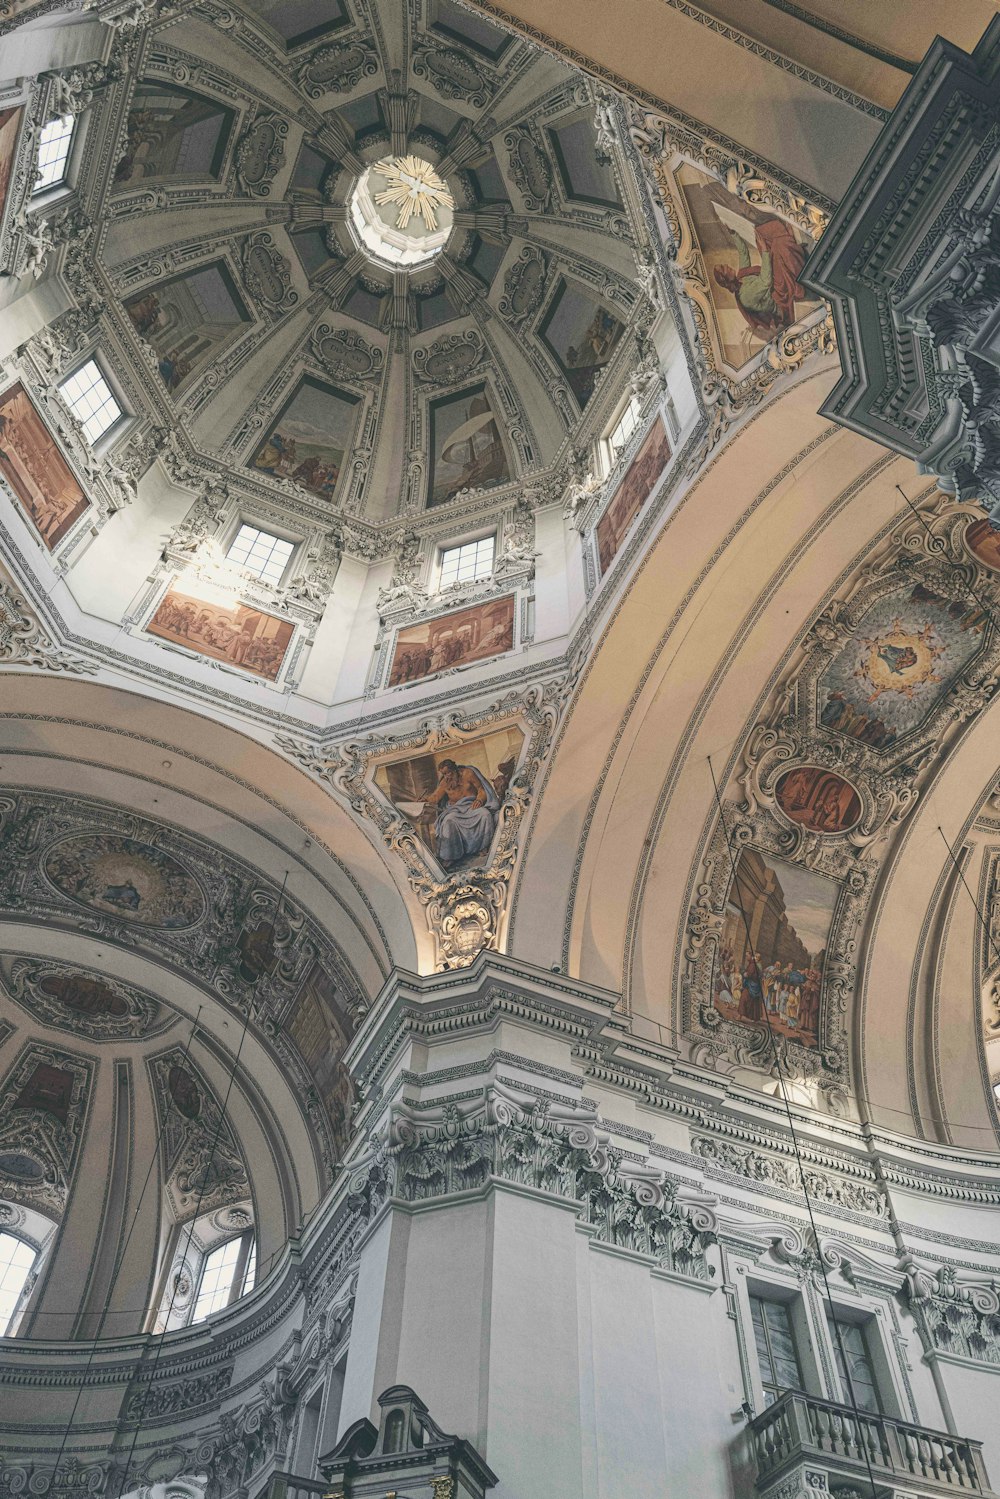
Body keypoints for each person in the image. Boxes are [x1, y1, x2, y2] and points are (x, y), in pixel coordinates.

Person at [714, 216, 807, 337]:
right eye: (723, 268)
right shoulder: (745, 295)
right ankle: (791, 244)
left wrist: (733, 233)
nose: (726, 266)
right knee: (777, 246)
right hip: (779, 296)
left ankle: (788, 240)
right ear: (726, 278)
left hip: (772, 282)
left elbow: (743, 253)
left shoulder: (741, 278)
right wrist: (764, 251)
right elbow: (766, 281)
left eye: (723, 265)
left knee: (761, 234)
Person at [423, 758, 500, 869]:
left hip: (472, 805)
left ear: (455, 769)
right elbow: (435, 797)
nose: (446, 776)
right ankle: (450, 856)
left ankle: (482, 847)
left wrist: (479, 800)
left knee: (485, 814)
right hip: (456, 810)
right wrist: (425, 800)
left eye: (448, 773)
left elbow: (481, 789)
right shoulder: (445, 783)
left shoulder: (468, 773)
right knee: (449, 820)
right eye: (444, 774)